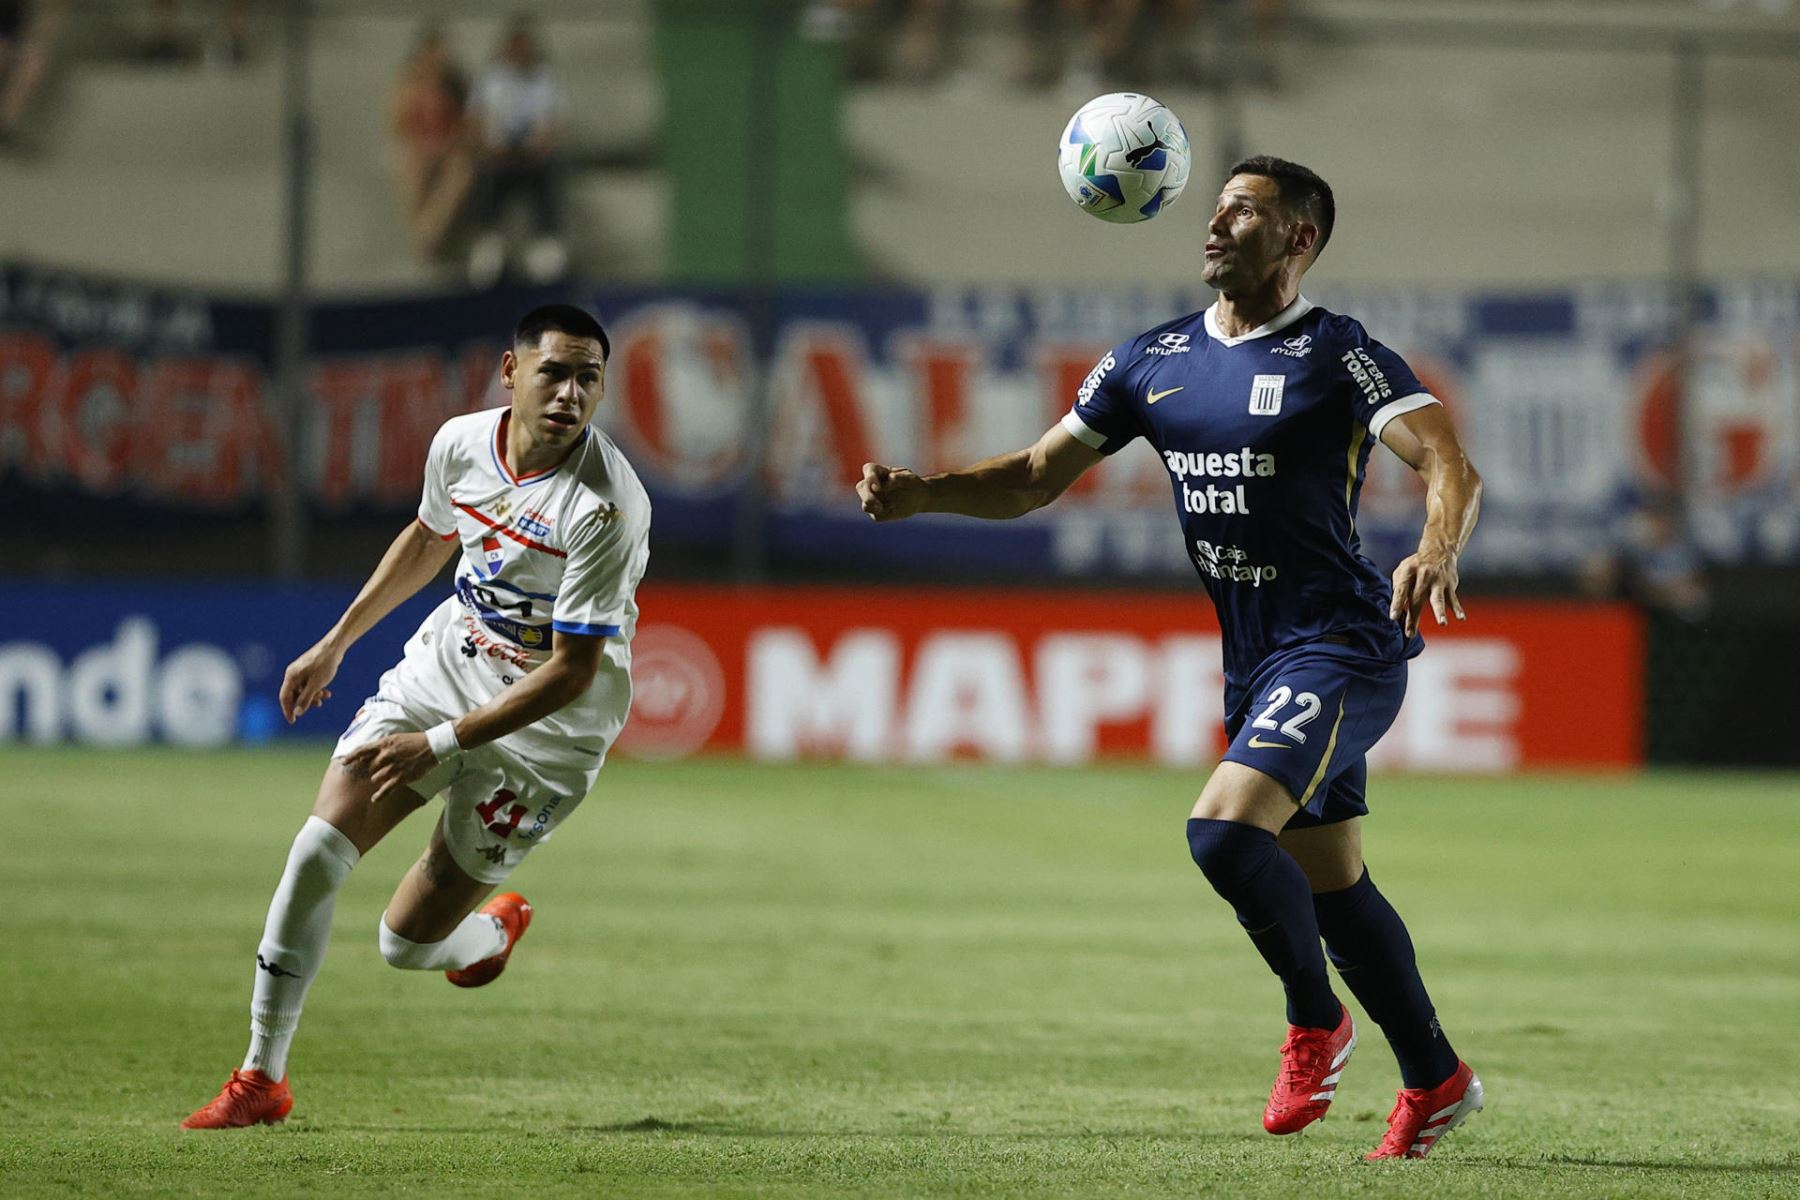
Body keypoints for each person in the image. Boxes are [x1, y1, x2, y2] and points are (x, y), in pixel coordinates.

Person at [857, 157, 1486, 1162]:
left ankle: (1314, 1023)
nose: (1217, 222)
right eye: (1217, 206)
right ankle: (1438, 1079)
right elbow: (1029, 477)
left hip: (1343, 646)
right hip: (1257, 662)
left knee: (1224, 836)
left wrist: (1438, 543)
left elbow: (1447, 457)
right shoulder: (1150, 360)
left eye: (1247, 210)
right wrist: (921, 491)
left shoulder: (1341, 353)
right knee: (1334, 889)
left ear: (1299, 241)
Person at [182, 304, 650, 1130]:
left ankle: (489, 938)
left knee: (405, 945)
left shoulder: (606, 506)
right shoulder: (460, 443)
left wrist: (436, 746)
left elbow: (574, 672)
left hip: (548, 734)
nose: (571, 393)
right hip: (450, 664)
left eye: (589, 378)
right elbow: (432, 538)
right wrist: (336, 643)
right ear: (512, 373)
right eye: (555, 372)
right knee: (317, 848)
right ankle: (262, 1075)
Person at [466, 16, 568, 288]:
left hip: (534, 157)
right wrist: (491, 148)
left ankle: (545, 245)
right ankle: (489, 244)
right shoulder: (491, 78)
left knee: (548, 175)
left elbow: (554, 123)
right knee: (486, 178)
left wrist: (539, 145)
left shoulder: (545, 78)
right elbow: (476, 120)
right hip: (498, 157)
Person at [388, 22, 476, 261]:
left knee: (460, 171)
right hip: (416, 146)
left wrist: (445, 146)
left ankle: (427, 233)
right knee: (410, 166)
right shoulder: (408, 82)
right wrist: (422, 147)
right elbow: (397, 125)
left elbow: (466, 126)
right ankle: (426, 235)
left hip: (446, 147)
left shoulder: (456, 85)